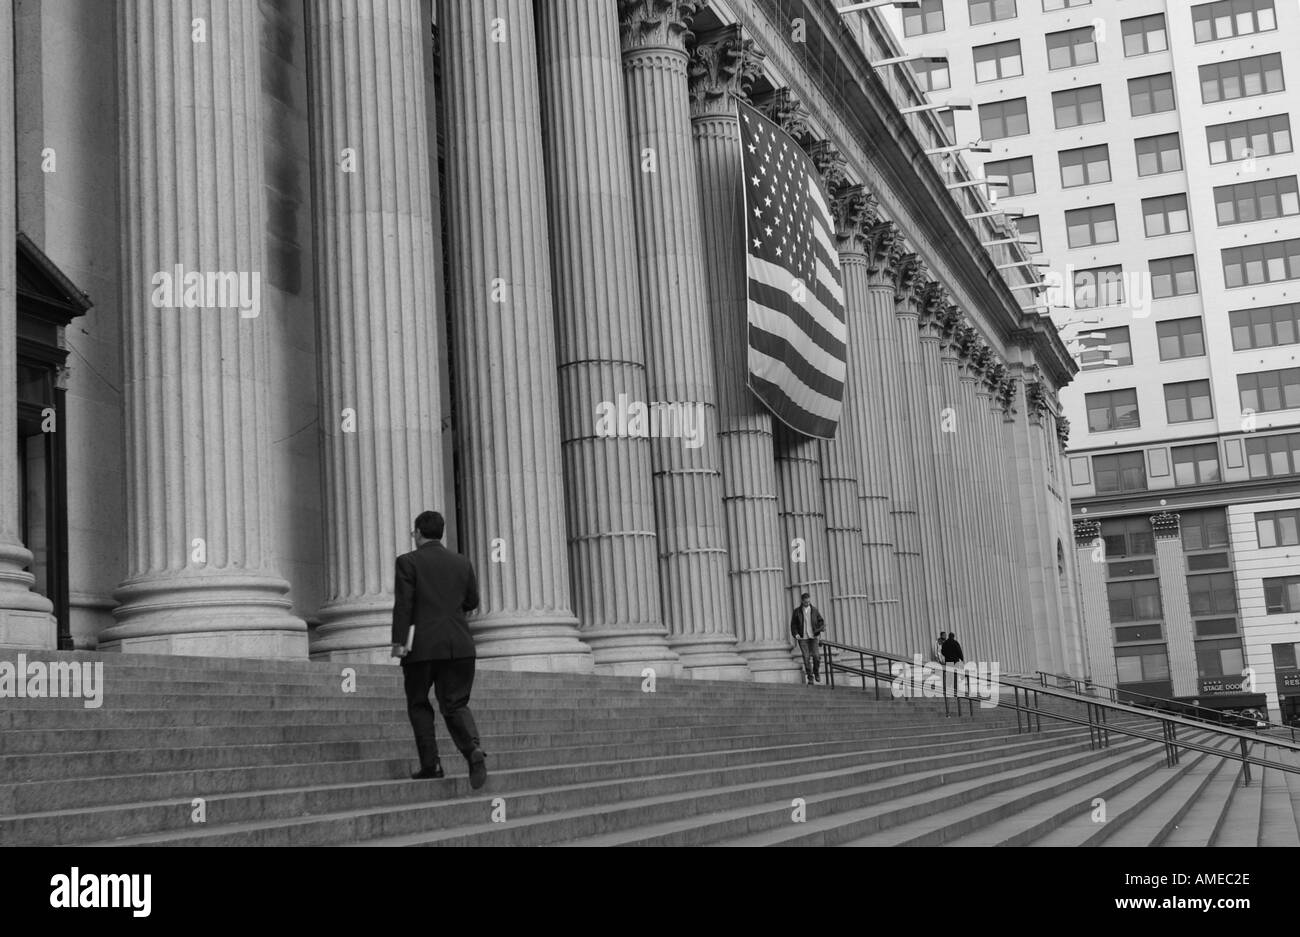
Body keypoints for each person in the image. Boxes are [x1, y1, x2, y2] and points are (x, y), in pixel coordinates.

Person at [391, 510, 488, 789]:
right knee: (455, 704)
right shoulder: (462, 562)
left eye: (414, 532)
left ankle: (431, 765)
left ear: (419, 532)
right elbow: (472, 601)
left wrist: (399, 643)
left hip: (421, 647)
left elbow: (404, 605)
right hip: (460, 645)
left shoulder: (407, 561)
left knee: (419, 703)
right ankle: (472, 749)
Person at [789, 592, 826, 684]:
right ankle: (810, 677)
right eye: (806, 602)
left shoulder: (814, 610)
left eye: (809, 602)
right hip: (803, 638)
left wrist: (820, 628)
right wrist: (796, 634)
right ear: (802, 601)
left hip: (813, 637)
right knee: (806, 657)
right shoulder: (797, 611)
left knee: (816, 657)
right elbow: (793, 625)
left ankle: (816, 672)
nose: (808, 603)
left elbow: (821, 621)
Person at [941, 631, 966, 696]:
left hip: (948, 661)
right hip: (955, 662)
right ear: (953, 637)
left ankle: (949, 688)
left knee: (949, 675)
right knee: (955, 675)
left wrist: (946, 655)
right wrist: (962, 659)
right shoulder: (955, 643)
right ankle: (955, 689)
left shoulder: (945, 643)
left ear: (949, 636)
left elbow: (942, 651)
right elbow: (959, 651)